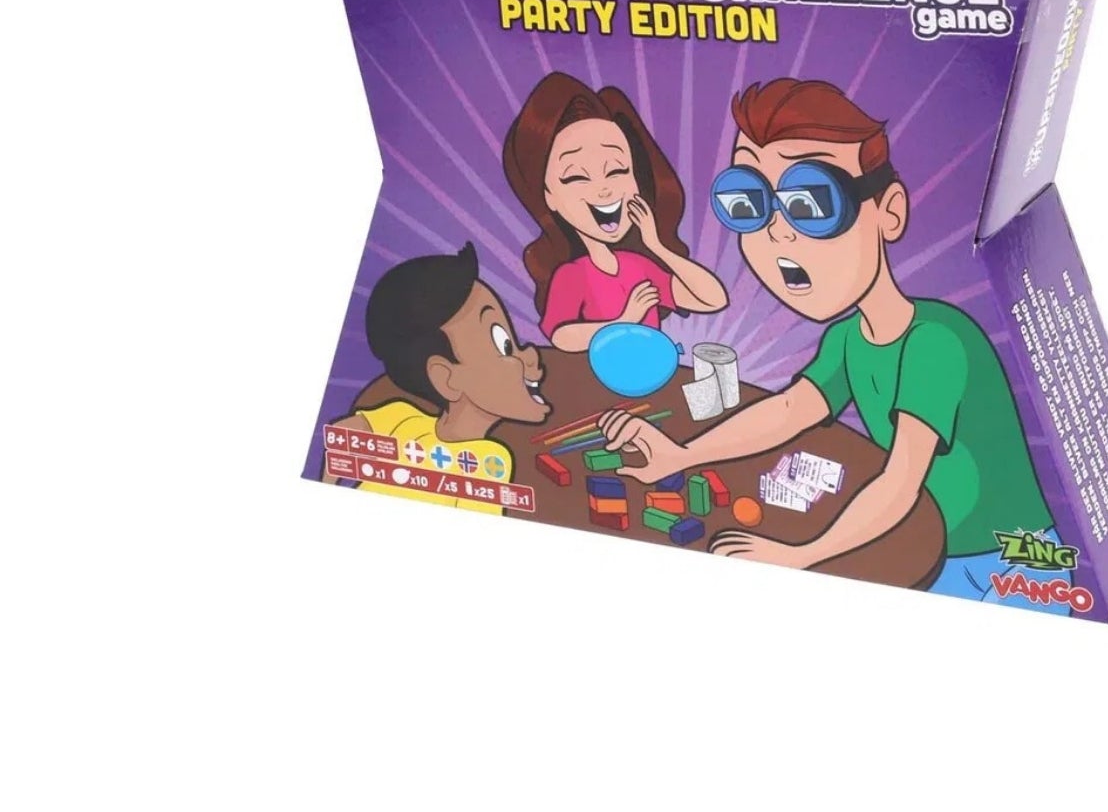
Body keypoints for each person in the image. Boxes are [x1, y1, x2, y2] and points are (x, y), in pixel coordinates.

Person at [598, 78, 1066, 607]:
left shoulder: (935, 343)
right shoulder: (847, 338)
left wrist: (802, 555)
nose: (777, 232)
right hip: (922, 544)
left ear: (888, 211)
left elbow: (900, 483)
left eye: (812, 200)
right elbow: (791, 411)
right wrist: (680, 455)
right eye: (747, 201)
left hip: (1004, 564)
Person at [503, 72, 727, 350]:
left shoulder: (640, 267)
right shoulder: (571, 275)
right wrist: (624, 320)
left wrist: (657, 246)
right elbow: (562, 336)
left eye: (617, 171)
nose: (604, 190)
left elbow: (713, 299)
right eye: (577, 177)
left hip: (653, 372)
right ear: (549, 196)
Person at [323, 242, 547, 511]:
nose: (531, 354)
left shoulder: (404, 419)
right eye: (505, 346)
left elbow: (344, 433)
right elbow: (342, 434)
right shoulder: (489, 462)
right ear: (446, 379)